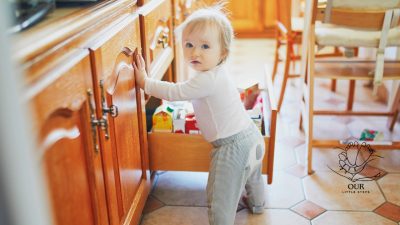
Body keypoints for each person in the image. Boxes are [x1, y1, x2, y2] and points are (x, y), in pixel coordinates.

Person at [133, 4, 265, 225]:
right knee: (253, 176)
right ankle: (258, 204)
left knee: (220, 195)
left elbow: (175, 92)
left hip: (230, 148)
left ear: (223, 52)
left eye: (205, 46)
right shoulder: (219, 71)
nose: (195, 52)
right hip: (252, 137)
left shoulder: (204, 79)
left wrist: (145, 82)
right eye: (189, 45)